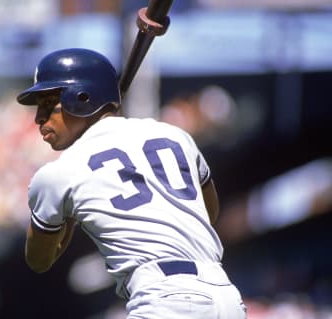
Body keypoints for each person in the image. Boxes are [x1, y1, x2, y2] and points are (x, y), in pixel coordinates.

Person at [16, 48, 247, 318]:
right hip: (226, 298)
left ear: (81, 98)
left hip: (163, 299)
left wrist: (68, 210)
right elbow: (210, 212)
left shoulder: (57, 174)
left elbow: (39, 260)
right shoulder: (174, 135)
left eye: (47, 105)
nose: (38, 119)